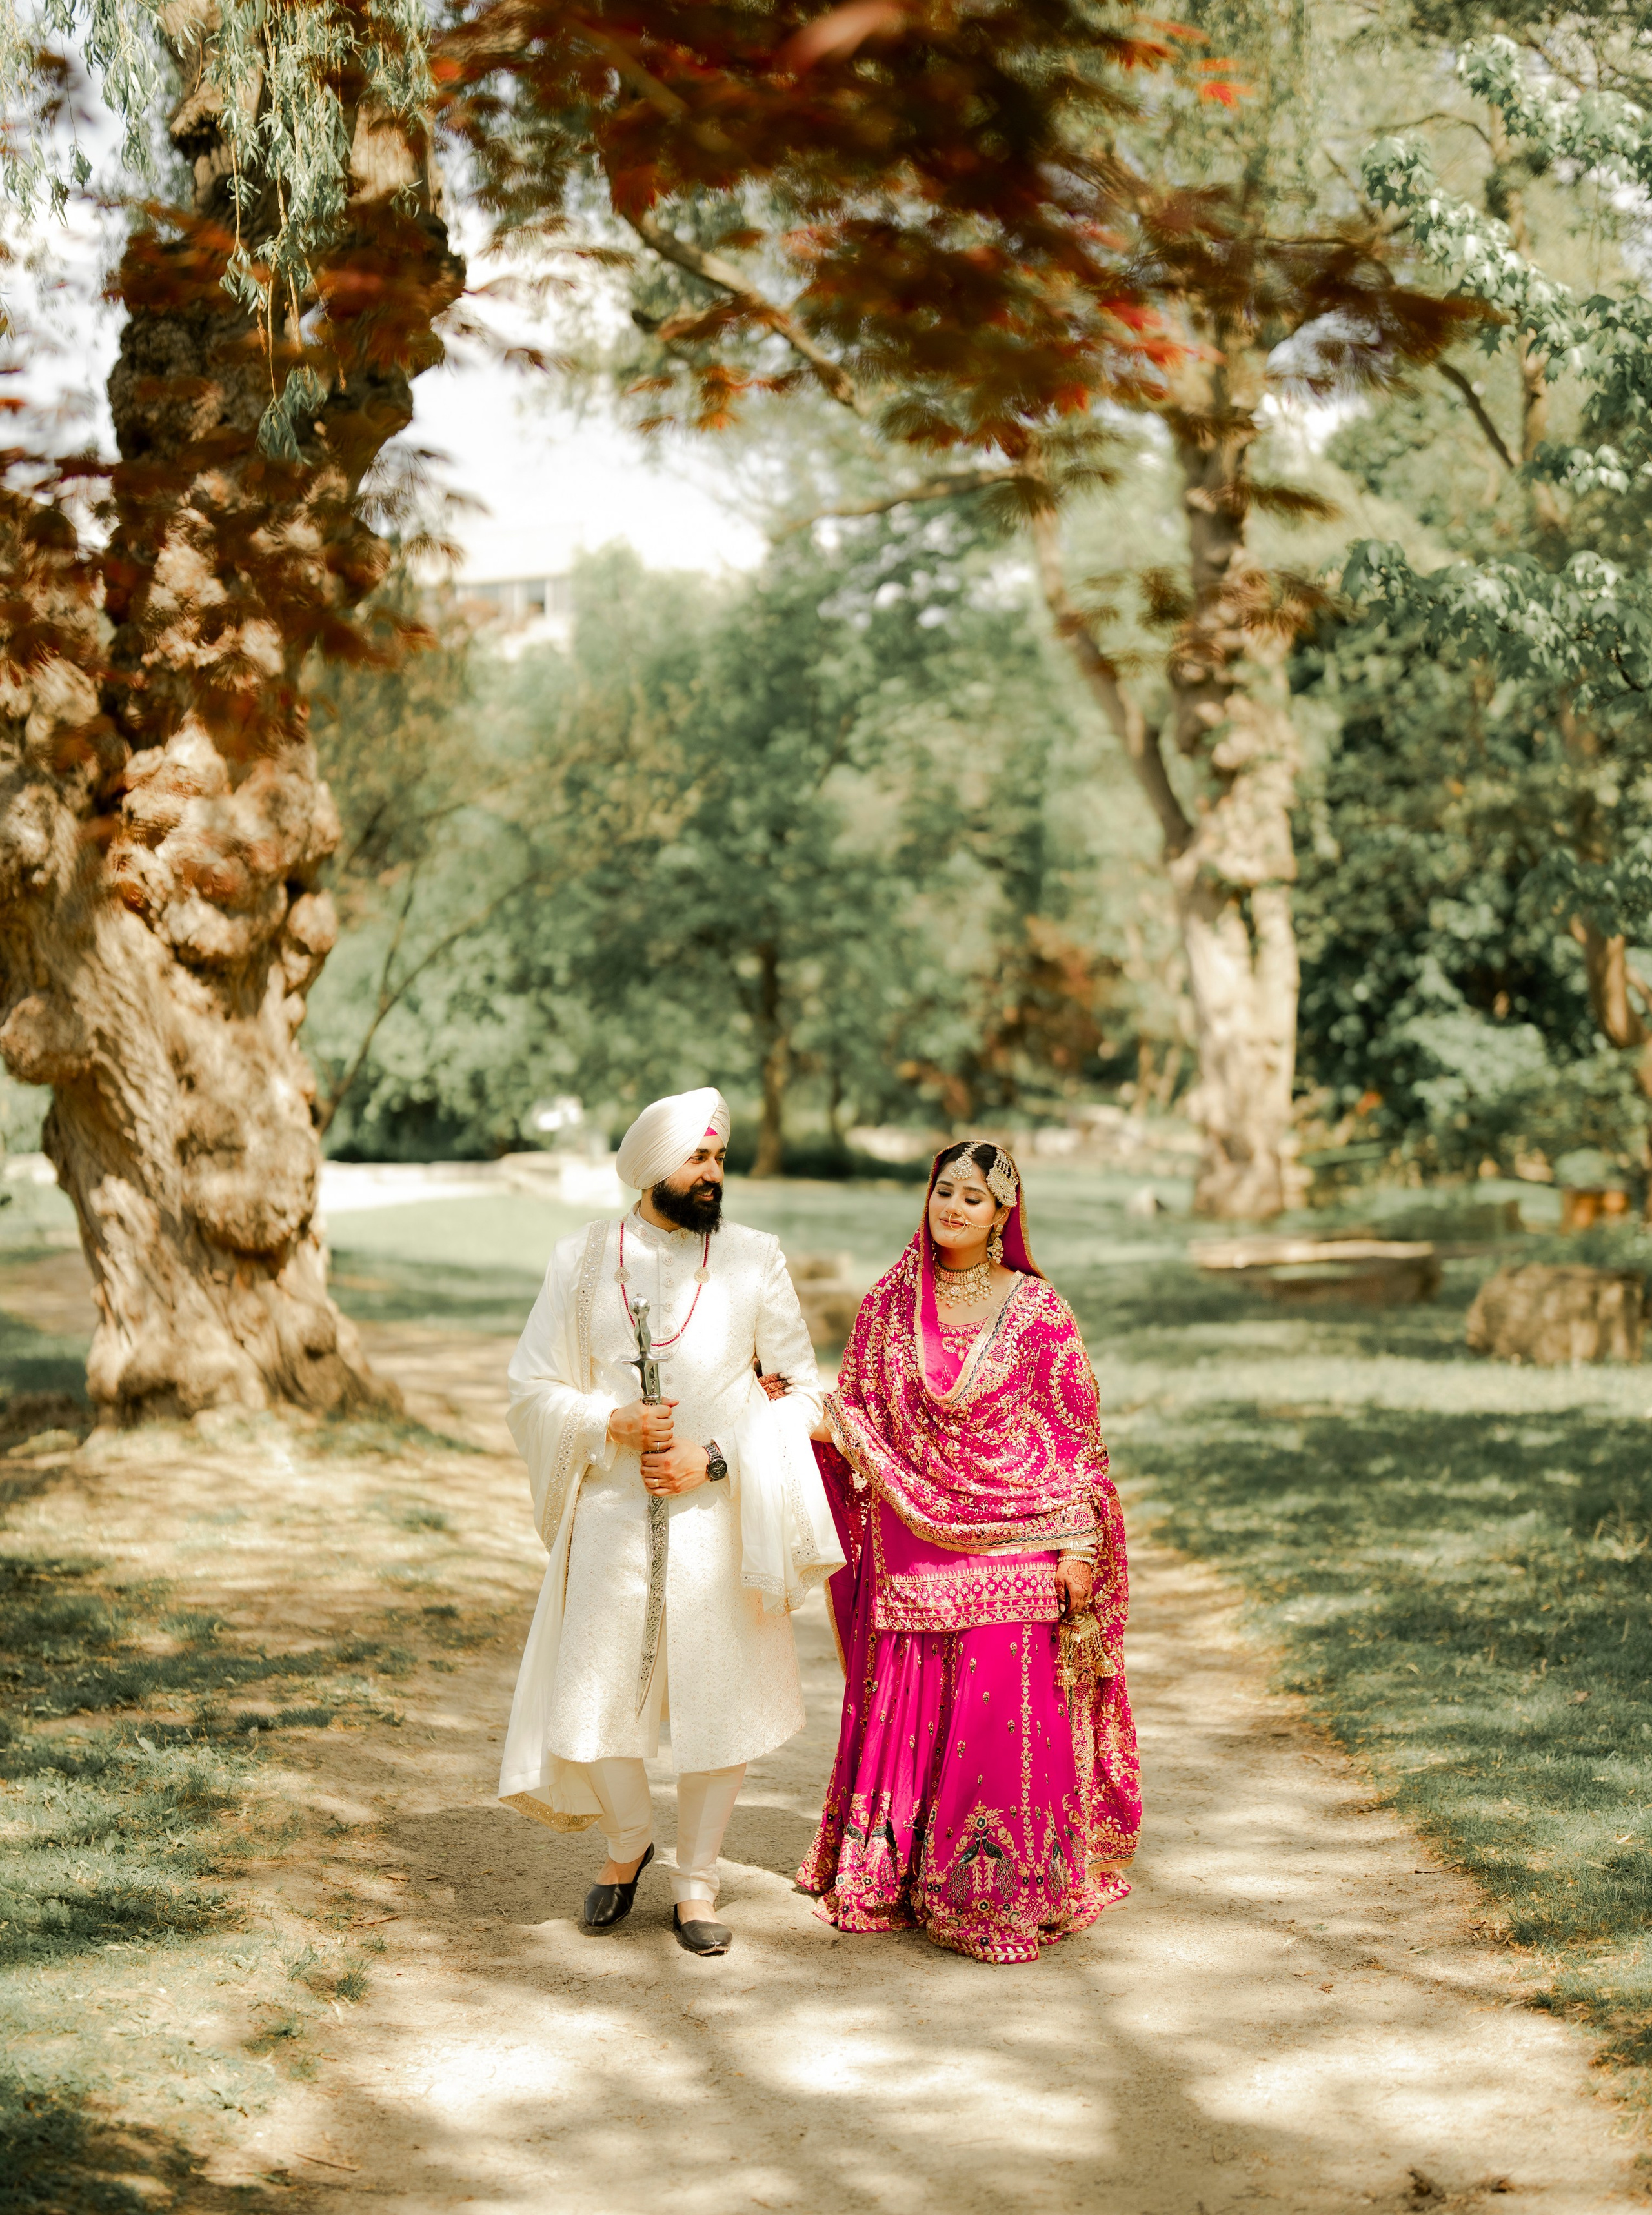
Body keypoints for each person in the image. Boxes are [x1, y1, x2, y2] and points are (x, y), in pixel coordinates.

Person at [497, 1086, 842, 1956]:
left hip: (722, 1515)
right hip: (612, 1508)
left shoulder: (755, 1258)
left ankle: (696, 1880)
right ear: (653, 1166)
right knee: (592, 1694)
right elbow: (532, 1386)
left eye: (720, 1159)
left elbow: (807, 1395)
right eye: (698, 1159)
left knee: (720, 1701)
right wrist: (604, 1424)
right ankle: (627, 1843)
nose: (713, 1174)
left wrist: (716, 1457)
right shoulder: (581, 1259)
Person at [799, 1138, 1140, 1965]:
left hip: (1025, 1533)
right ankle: (898, 1873)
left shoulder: (1037, 1311)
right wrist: (798, 1411)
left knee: (1009, 1700)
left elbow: (1074, 1443)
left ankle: (1000, 1893)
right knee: (916, 1673)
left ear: (1001, 1215)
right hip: (914, 1532)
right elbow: (859, 1418)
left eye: (972, 1198)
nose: (952, 1208)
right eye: (942, 1191)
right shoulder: (890, 1304)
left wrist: (1076, 1550)